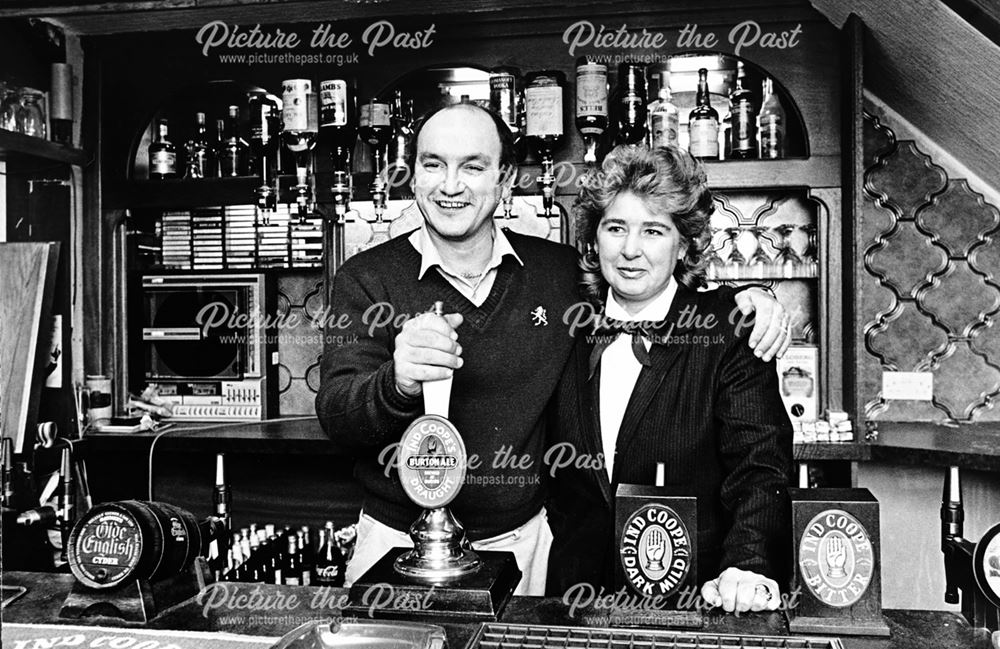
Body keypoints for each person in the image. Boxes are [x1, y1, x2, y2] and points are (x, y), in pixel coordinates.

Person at [315, 103, 788, 596]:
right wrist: (398, 380)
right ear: (411, 176)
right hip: (396, 543)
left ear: (504, 181)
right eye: (433, 164)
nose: (450, 184)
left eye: (473, 166)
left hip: (527, 546)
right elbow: (338, 417)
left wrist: (751, 295)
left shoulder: (558, 275)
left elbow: (653, 283)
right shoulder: (364, 279)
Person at [546, 145, 794, 613]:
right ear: (593, 239)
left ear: (683, 244)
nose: (630, 250)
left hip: (694, 604)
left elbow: (760, 467)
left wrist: (748, 563)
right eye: (615, 228)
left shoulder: (729, 329)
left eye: (653, 231)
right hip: (575, 604)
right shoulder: (567, 328)